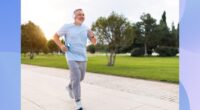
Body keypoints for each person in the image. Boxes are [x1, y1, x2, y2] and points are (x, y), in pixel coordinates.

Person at [53, 8, 97, 110]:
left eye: (83, 14)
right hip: (71, 56)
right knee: (76, 78)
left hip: (83, 57)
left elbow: (94, 42)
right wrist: (61, 46)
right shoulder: (67, 27)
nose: (82, 16)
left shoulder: (86, 28)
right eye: (79, 14)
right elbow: (55, 36)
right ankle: (78, 102)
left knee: (81, 78)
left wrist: (93, 36)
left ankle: (69, 87)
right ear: (74, 17)